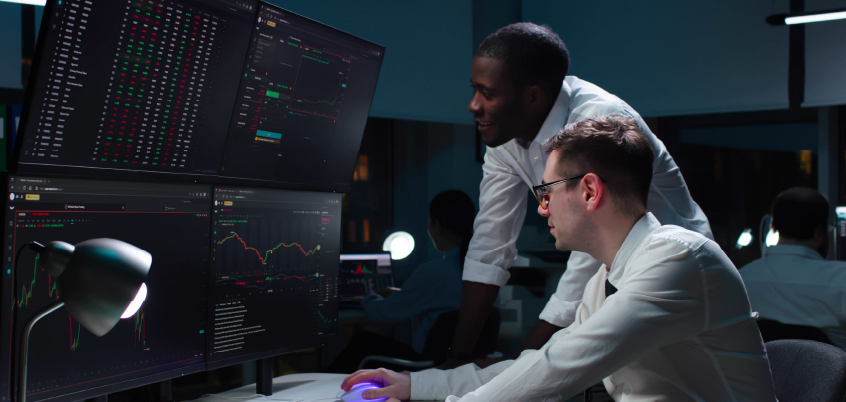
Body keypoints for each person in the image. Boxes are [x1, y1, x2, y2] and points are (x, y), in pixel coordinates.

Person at [340, 116, 776, 402]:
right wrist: (418, 385)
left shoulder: (678, 258)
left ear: (589, 191)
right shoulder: (607, 277)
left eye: (546, 193)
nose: (541, 208)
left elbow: (558, 370)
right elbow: (537, 365)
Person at [448, 22, 712, 366]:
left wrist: (525, 360)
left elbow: (588, 252)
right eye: (474, 90)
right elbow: (489, 246)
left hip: (676, 270)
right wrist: (458, 356)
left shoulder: (600, 124)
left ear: (532, 96)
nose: (473, 105)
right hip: (609, 272)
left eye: (488, 93)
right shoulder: (506, 134)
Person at [324, 190, 475, 373]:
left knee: (363, 341)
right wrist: (399, 294)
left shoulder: (433, 272)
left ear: (436, 224)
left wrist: (367, 296)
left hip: (426, 364)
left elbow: (384, 314)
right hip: (460, 363)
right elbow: (442, 300)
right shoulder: (478, 273)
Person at [740, 187, 846, 349]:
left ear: (772, 227)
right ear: (819, 232)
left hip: (761, 374)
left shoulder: (741, 279)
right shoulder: (841, 279)